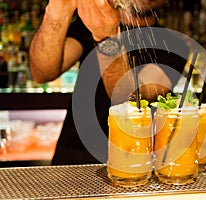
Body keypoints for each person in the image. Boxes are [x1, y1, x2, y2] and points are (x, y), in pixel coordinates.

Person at [29, 0, 190, 165]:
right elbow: (42, 73)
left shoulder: (172, 43)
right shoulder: (89, 24)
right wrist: (57, 10)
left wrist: (105, 38)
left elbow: (131, 100)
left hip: (131, 163)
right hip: (73, 157)